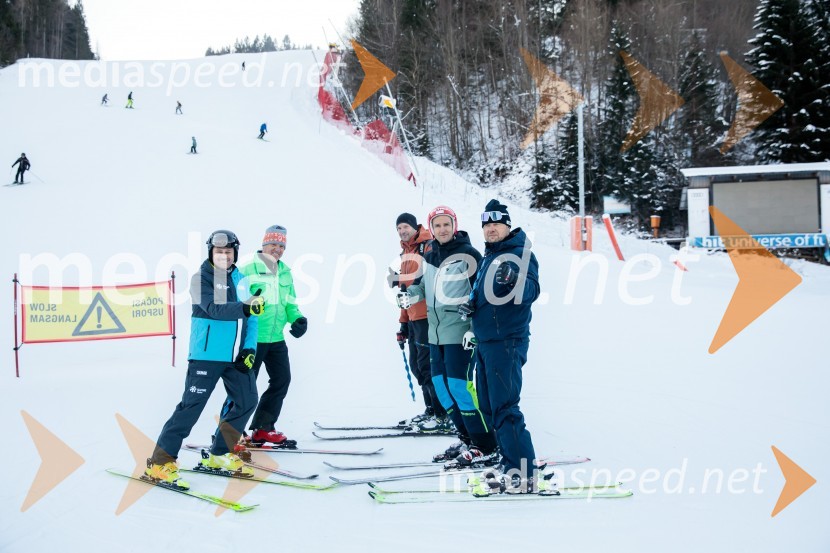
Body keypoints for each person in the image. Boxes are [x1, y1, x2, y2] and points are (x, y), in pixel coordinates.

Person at [145, 230, 265, 489]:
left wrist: (249, 349)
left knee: (247, 401)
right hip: (207, 355)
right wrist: (245, 307)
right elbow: (213, 309)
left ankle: (219, 454)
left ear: (235, 253)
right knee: (191, 407)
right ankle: (160, 463)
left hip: (236, 357)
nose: (224, 256)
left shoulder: (242, 280)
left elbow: (253, 318)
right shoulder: (201, 279)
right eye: (219, 251)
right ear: (211, 252)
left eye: (228, 251)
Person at [396, 206, 498, 466]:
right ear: (431, 228)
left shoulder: (469, 255)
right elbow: (420, 285)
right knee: (441, 389)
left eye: (446, 224)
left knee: (460, 387)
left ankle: (486, 444)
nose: (442, 229)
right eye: (437, 225)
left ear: (454, 226)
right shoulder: (429, 254)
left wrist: (474, 329)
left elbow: (481, 295)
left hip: (460, 332)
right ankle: (467, 438)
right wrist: (410, 296)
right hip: (435, 334)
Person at [458, 199, 542, 494]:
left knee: (505, 406)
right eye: (487, 225)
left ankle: (523, 473)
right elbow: (483, 292)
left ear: (507, 226)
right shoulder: (489, 256)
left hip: (507, 341)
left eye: (496, 224)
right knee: (488, 404)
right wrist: (472, 306)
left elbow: (532, 290)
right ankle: (509, 461)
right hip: (487, 341)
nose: (491, 229)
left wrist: (514, 279)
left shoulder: (520, 253)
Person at [224, 225, 307, 447]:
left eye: (282, 246)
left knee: (281, 380)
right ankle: (229, 433)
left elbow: (290, 303)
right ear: (264, 244)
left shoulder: (285, 272)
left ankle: (263, 428)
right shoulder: (247, 268)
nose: (277, 249)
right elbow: (236, 302)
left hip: (276, 338)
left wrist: (297, 319)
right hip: (253, 337)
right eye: (274, 244)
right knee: (243, 386)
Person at [387, 213, 446, 427]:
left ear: (414, 227)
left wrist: (399, 279)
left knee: (428, 367)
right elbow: (405, 293)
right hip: (413, 318)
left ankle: (442, 415)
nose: (402, 231)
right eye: (398, 228)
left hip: (428, 316)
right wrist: (403, 323)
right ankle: (430, 410)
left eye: (405, 227)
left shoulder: (428, 246)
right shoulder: (406, 253)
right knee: (417, 367)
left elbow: (427, 279)